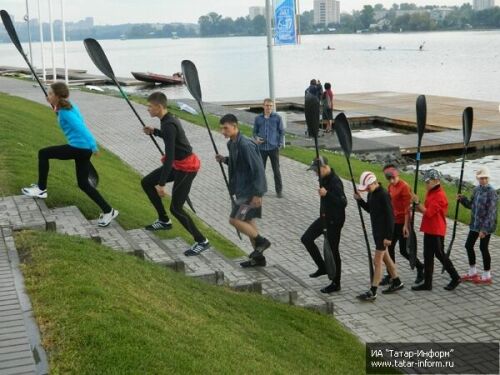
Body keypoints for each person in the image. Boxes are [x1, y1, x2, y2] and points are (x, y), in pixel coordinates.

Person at [22, 81, 118, 227]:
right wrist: (55, 107)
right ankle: (109, 210)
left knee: (44, 153)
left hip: (79, 148)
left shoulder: (65, 112)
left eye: (50, 94)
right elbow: (69, 117)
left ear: (57, 96)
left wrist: (94, 146)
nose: (47, 96)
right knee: (83, 184)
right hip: (82, 149)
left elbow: (81, 127)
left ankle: (41, 189)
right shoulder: (67, 105)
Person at [141, 92, 209, 256]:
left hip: (186, 168)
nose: (147, 108)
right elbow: (170, 139)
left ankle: (202, 241)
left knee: (176, 208)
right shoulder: (167, 121)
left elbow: (170, 156)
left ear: (159, 107)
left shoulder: (169, 123)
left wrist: (162, 184)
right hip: (177, 164)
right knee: (146, 182)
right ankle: (164, 220)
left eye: (150, 106)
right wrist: (155, 131)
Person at [215, 114, 270, 267]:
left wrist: (258, 194)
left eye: (226, 128)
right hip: (241, 190)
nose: (223, 131)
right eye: (221, 129)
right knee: (247, 221)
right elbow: (238, 164)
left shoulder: (246, 144)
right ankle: (259, 259)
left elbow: (258, 169)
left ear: (235, 126)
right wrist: (225, 160)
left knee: (235, 219)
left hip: (250, 193)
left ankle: (262, 241)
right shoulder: (232, 144)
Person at [354, 172, 404, 301]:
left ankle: (373, 291)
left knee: (377, 262)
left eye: (367, 187)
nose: (366, 190)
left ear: (373, 182)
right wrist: (360, 200)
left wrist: (389, 237)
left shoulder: (383, 195)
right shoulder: (372, 193)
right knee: (386, 259)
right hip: (377, 232)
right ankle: (397, 281)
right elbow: (370, 209)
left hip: (383, 234)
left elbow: (390, 217)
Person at [301, 156, 346, 293]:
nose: (315, 173)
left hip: (335, 220)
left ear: (325, 167)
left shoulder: (335, 182)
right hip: (325, 217)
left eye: (316, 170)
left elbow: (343, 203)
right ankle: (323, 267)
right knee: (306, 238)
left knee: (333, 250)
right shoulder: (324, 178)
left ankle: (336, 283)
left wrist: (327, 194)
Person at [411, 169, 461, 291]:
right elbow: (425, 208)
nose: (426, 184)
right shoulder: (431, 192)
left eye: (428, 182)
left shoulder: (439, 196)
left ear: (436, 181)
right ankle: (428, 283)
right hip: (429, 228)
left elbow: (428, 213)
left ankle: (455, 277)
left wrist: (417, 202)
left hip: (436, 230)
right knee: (427, 256)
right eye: (426, 182)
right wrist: (413, 207)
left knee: (440, 254)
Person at [381, 165, 424, 285]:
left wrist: (406, 225)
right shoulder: (390, 186)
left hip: (403, 223)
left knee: (404, 250)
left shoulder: (404, 187)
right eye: (389, 179)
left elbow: (407, 209)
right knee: (389, 248)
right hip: (393, 222)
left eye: (393, 178)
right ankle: (391, 274)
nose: (391, 181)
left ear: (397, 175)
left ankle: (420, 267)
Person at [458, 167, 497, 285]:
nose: (483, 180)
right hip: (475, 225)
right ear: (478, 179)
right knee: (468, 245)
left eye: (485, 178)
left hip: (486, 226)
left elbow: (491, 213)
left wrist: (484, 230)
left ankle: (487, 275)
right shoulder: (476, 190)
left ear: (488, 178)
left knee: (483, 248)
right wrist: (463, 199)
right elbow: (471, 205)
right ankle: (472, 272)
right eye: (481, 178)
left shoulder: (492, 192)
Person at [253, 99, 284, 198]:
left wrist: (279, 144)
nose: (269, 108)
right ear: (263, 106)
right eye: (267, 106)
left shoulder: (277, 118)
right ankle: (260, 190)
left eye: (270, 106)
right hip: (261, 149)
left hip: (273, 148)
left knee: (276, 170)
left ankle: (279, 191)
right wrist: (256, 138)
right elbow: (254, 132)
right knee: (261, 170)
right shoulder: (258, 118)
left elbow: (281, 132)